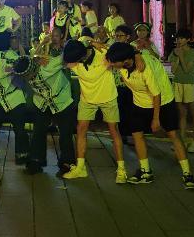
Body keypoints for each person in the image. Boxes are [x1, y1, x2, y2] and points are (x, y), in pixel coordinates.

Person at [106, 43, 194, 189]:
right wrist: (137, 54)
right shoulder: (125, 61)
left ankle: (187, 173)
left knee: (173, 134)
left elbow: (156, 94)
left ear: (126, 60)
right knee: (137, 134)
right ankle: (146, 172)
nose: (111, 64)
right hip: (140, 102)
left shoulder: (144, 68)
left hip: (163, 101)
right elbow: (119, 48)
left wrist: (155, 119)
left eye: (113, 62)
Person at [62, 40, 127, 183]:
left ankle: (121, 170)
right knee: (81, 129)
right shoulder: (75, 56)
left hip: (108, 97)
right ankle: (80, 168)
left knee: (113, 130)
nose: (70, 64)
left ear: (80, 56)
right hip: (87, 98)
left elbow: (120, 54)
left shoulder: (103, 54)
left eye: (73, 61)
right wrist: (91, 42)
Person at [13, 28, 75, 176]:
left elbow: (66, 56)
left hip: (61, 100)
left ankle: (67, 163)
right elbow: (31, 57)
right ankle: (36, 161)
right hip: (41, 102)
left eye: (28, 75)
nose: (27, 78)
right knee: (38, 131)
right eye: (24, 76)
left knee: (65, 133)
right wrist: (36, 54)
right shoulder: (25, 70)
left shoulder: (49, 65)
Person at [168, 29, 194, 152]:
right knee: (181, 113)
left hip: (189, 84)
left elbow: (187, 70)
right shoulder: (174, 52)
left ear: (188, 40)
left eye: (182, 38)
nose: (179, 40)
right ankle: (182, 141)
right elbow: (173, 70)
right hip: (177, 83)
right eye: (177, 38)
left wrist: (181, 55)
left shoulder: (192, 52)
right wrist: (177, 56)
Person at [113, 24, 135, 144]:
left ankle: (131, 134)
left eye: (120, 36)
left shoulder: (132, 49)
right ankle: (121, 135)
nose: (117, 38)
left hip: (130, 85)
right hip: (116, 85)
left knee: (130, 110)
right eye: (116, 36)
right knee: (119, 110)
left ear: (127, 37)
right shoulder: (113, 48)